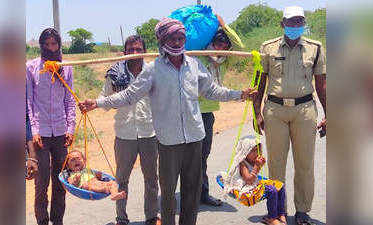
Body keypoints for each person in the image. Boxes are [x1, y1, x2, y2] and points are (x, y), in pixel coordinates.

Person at [79, 18, 257, 225]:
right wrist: (98, 103)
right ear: (162, 40)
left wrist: (239, 94)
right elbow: (128, 96)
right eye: (172, 38)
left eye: (180, 38)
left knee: (192, 191)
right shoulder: (153, 70)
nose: (177, 42)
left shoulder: (194, 65)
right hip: (168, 142)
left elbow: (212, 90)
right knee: (168, 194)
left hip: (194, 138)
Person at [253, 6, 326, 225]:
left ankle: (302, 211)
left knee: (305, 164)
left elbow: (321, 85)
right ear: (282, 24)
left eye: (299, 22)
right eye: (291, 22)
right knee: (276, 164)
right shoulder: (268, 48)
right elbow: (259, 82)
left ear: (303, 23)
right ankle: (277, 211)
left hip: (305, 111)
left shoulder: (316, 48)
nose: (296, 26)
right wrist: (256, 113)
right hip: (275, 111)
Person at [97, 35, 161, 225]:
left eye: (139, 49)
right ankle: (121, 218)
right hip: (124, 134)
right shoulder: (115, 75)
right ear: (124, 53)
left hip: (149, 132)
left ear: (145, 52)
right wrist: (97, 103)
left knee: (151, 178)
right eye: (131, 50)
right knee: (122, 179)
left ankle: (152, 216)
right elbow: (104, 99)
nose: (135, 53)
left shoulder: (153, 72)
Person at [26, 28, 76, 225]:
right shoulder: (31, 68)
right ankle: (42, 221)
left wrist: (70, 128)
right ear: (41, 46)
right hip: (41, 135)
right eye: (46, 44)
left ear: (59, 46)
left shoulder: (67, 68)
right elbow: (29, 102)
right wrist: (35, 130)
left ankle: (58, 221)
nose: (50, 48)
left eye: (54, 44)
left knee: (60, 182)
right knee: (41, 182)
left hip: (61, 132)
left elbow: (69, 101)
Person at [198, 14, 245, 207]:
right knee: (188, 157)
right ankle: (190, 195)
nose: (220, 48)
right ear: (211, 42)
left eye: (224, 46)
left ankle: (202, 194)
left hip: (207, 113)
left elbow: (240, 47)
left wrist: (224, 25)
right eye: (217, 43)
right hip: (189, 111)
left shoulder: (224, 61)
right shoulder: (198, 55)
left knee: (203, 156)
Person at [221, 136, 286, 225]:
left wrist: (259, 165)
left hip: (254, 183)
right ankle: (271, 218)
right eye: (253, 150)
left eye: (258, 150)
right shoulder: (242, 164)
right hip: (247, 188)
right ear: (245, 152)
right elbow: (249, 180)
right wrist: (256, 166)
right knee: (272, 190)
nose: (256, 153)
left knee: (280, 186)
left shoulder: (253, 160)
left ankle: (281, 213)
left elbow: (255, 175)